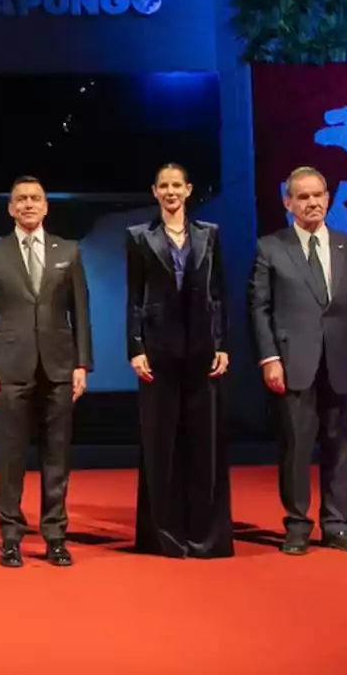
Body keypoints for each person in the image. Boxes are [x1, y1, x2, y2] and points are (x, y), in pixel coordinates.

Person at [247, 166, 347, 556]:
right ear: (288, 203)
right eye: (302, 197)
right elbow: (259, 308)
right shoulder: (270, 247)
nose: (312, 203)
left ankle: (338, 526)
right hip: (292, 364)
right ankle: (297, 526)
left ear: (328, 198)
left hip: (342, 362)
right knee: (296, 448)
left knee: (340, 447)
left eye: (318, 195)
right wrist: (269, 357)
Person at [0, 176, 93, 568]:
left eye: (35, 198)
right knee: (10, 457)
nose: (28, 204)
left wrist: (81, 364)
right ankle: (10, 538)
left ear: (46, 206)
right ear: (10, 208)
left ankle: (55, 535)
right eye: (20, 199)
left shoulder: (69, 251)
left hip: (58, 367)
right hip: (9, 368)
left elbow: (82, 312)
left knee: (56, 456)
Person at [126, 163, 235, 559]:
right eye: (164, 186)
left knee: (204, 445)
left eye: (177, 185)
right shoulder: (138, 237)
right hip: (157, 353)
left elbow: (219, 294)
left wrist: (223, 344)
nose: (171, 192)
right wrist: (135, 348)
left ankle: (207, 538)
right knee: (160, 446)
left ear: (189, 190)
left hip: (203, 351)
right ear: (154, 192)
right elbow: (134, 297)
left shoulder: (210, 234)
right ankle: (163, 536)